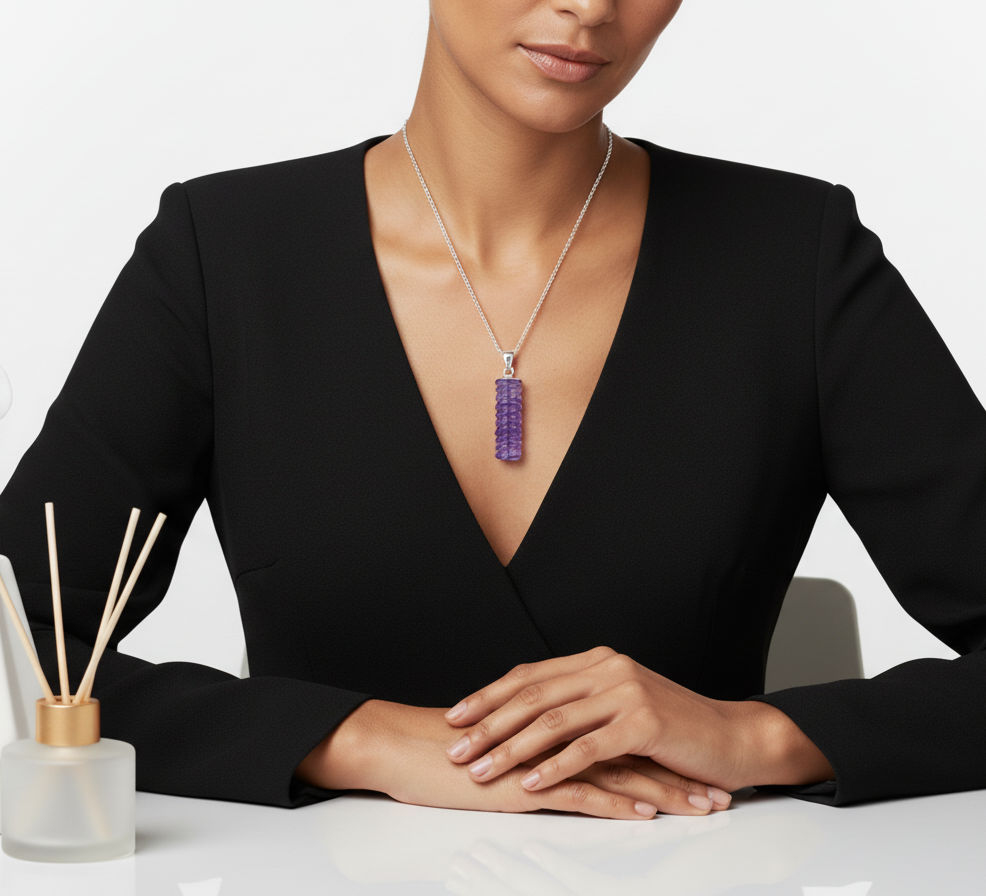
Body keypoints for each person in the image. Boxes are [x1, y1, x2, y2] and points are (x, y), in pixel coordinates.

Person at [1, 0, 984, 820]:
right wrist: (357, 736)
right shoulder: (224, 258)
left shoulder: (794, 257)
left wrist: (755, 733)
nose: (592, 7)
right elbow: (19, 644)